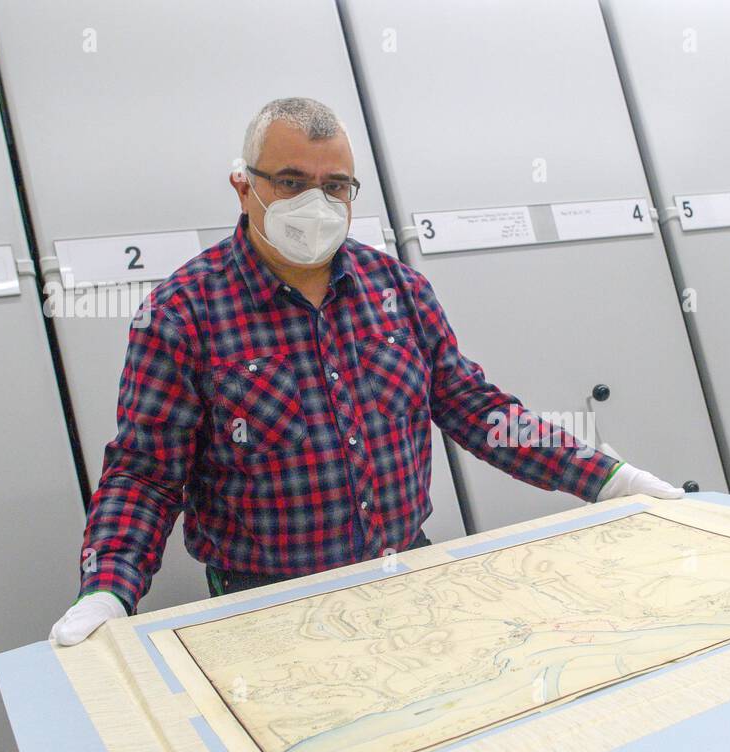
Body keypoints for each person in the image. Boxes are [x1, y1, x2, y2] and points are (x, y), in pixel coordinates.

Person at [50, 97, 681, 647]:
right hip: (263, 606)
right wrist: (108, 588)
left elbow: (476, 409)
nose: (315, 204)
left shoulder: (396, 289)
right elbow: (145, 475)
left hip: (407, 574)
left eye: (335, 187)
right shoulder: (184, 313)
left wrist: (608, 480)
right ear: (244, 187)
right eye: (292, 181)